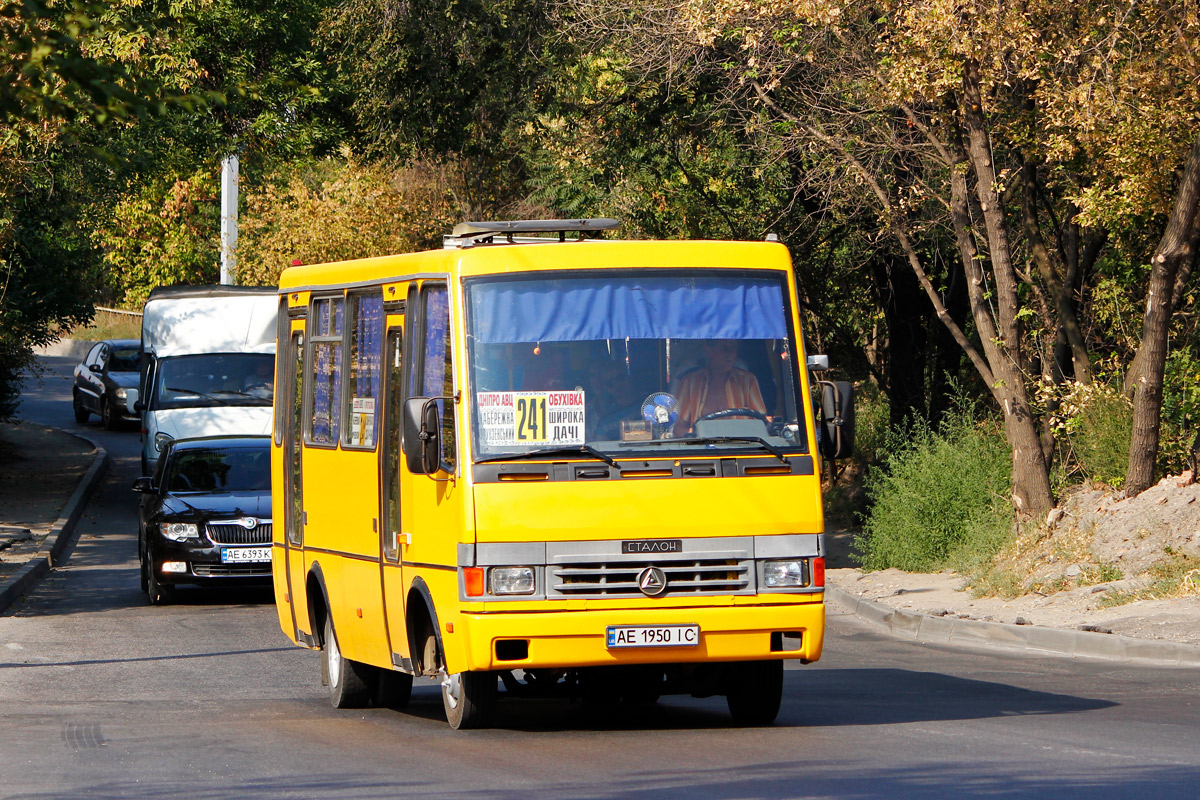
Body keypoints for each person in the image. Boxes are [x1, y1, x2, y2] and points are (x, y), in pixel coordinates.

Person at [674, 339, 767, 434]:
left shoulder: (748, 380)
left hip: (742, 446)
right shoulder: (690, 382)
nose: (731, 355)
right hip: (703, 446)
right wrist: (696, 435)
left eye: (734, 349)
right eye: (724, 349)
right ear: (708, 348)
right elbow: (677, 428)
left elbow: (762, 422)